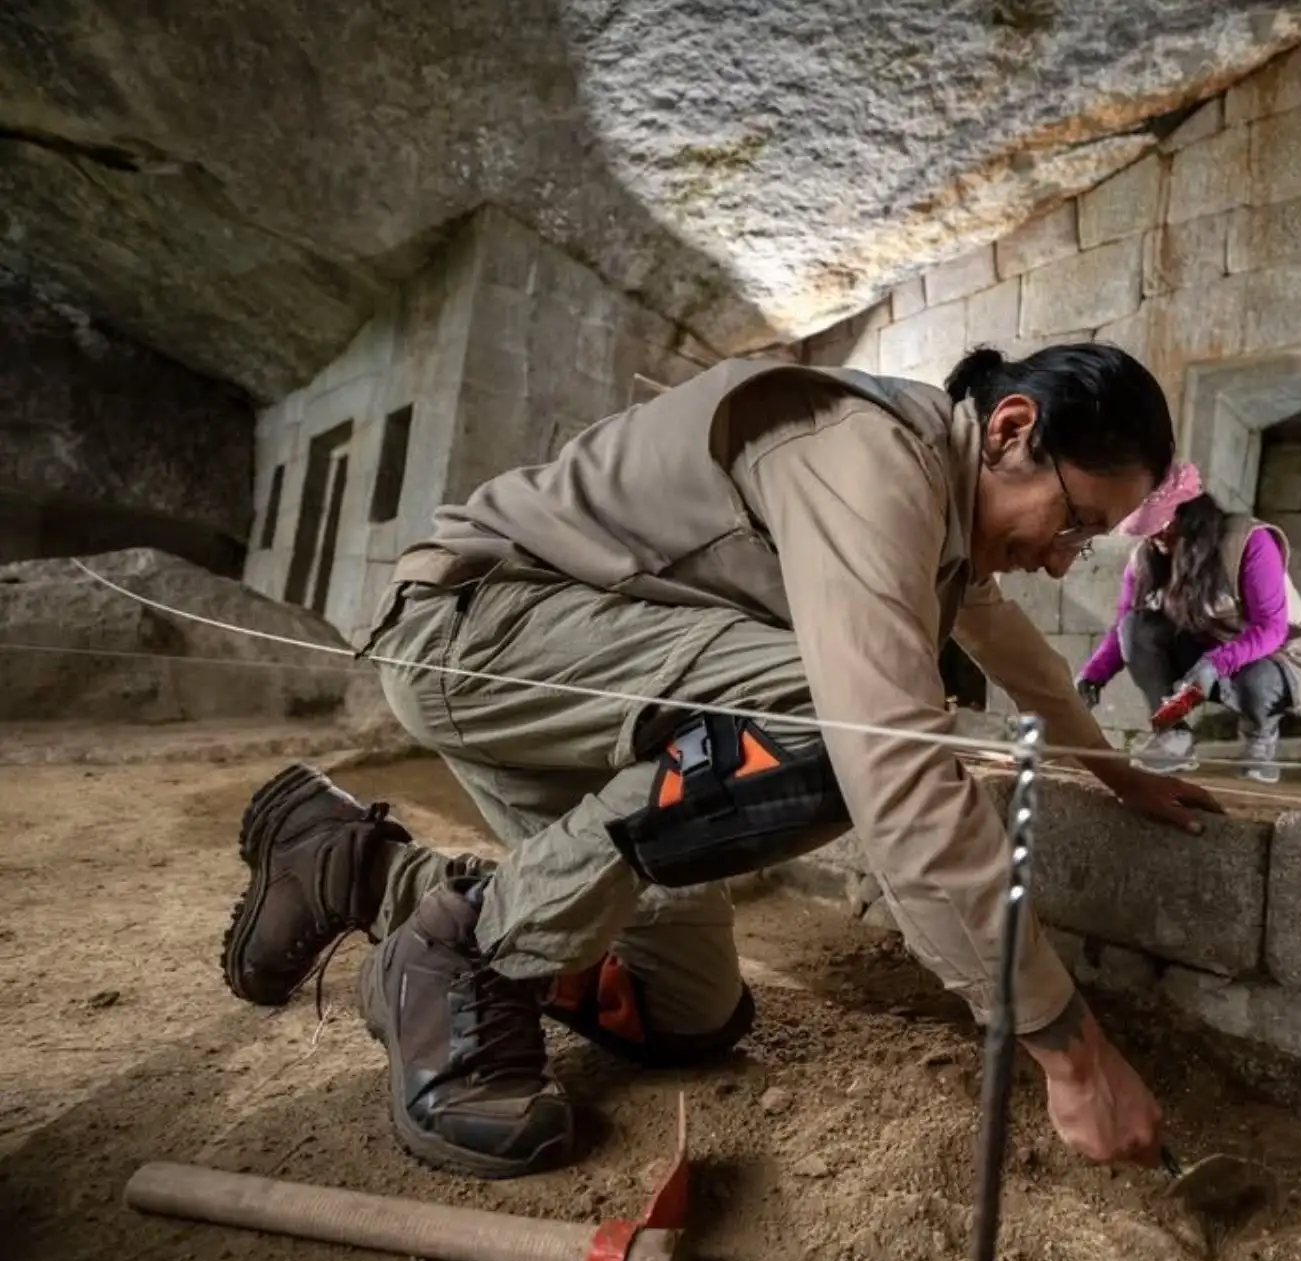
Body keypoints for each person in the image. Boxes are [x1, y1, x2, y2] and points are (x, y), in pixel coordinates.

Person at [219, 343, 1226, 1180]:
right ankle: (458, 959)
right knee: (846, 722)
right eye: (1076, 524)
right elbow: (895, 769)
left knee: (684, 1013)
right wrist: (1069, 1051)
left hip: (588, 694)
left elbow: (1010, 644)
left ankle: (354, 867)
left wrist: (1115, 767)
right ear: (1011, 432)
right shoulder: (872, 455)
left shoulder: (940, 510)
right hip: (477, 636)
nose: (1063, 557)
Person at [1074, 465, 1301, 782]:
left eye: (1161, 523)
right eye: (1145, 529)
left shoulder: (1249, 542)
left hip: (1284, 660)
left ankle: (1260, 738)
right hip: (1211, 657)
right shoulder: (1147, 557)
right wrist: (1091, 678)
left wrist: (1217, 663)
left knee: (1255, 678)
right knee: (1136, 626)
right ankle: (1173, 734)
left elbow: (1272, 628)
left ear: (1191, 513)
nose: (1154, 535)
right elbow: (1122, 630)